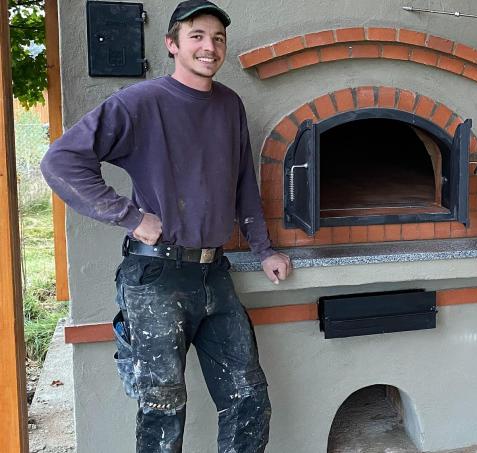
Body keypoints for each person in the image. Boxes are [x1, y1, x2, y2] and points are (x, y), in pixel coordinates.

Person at [40, 1, 290, 451]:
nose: (209, 47)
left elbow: (244, 185)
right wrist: (130, 216)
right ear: (172, 44)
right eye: (196, 36)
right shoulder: (141, 103)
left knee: (249, 398)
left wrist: (264, 248)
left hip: (215, 274)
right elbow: (61, 161)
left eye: (217, 38)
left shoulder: (230, 105)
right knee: (163, 408)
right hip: (155, 279)